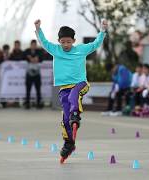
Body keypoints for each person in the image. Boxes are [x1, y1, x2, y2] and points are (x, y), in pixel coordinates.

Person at [35, 18, 107, 162]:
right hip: (64, 88)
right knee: (65, 118)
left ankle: (76, 114)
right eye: (63, 42)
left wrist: (102, 31)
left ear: (74, 41)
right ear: (59, 41)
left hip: (80, 84)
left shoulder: (81, 49)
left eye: (69, 42)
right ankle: (69, 143)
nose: (66, 45)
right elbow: (43, 42)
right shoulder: (55, 50)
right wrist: (38, 29)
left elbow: (96, 44)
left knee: (73, 96)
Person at [23, 40, 43, 109]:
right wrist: (29, 58)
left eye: (35, 45)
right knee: (28, 89)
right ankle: (27, 103)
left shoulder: (39, 51)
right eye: (32, 45)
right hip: (29, 73)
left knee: (38, 89)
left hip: (37, 73)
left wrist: (36, 58)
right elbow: (24, 56)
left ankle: (39, 103)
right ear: (30, 45)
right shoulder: (26, 51)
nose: (34, 46)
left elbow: (41, 58)